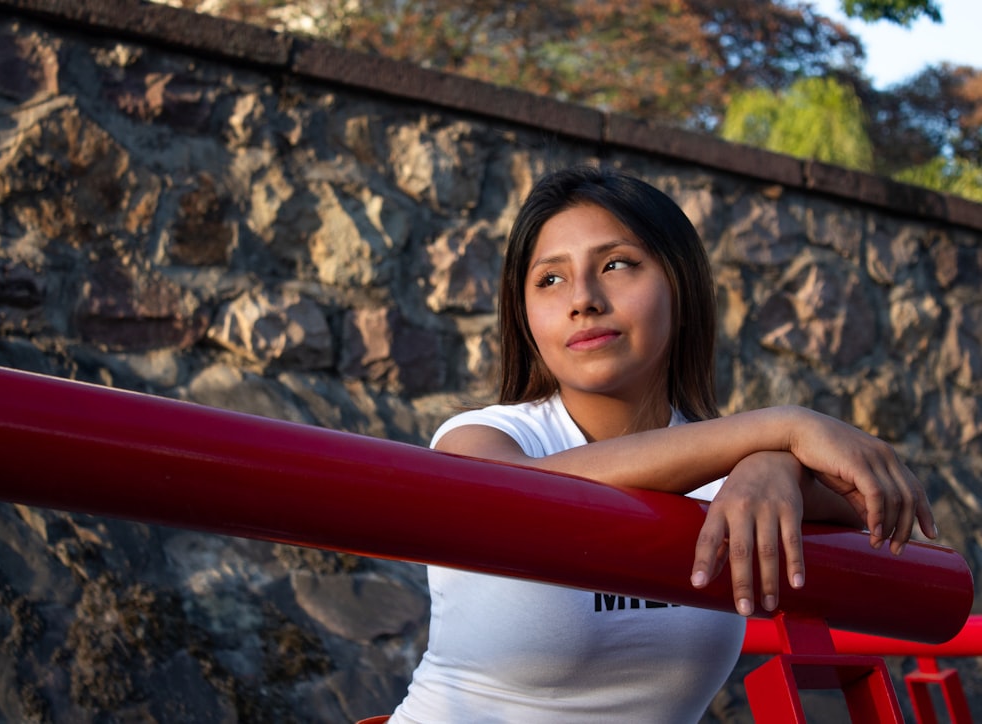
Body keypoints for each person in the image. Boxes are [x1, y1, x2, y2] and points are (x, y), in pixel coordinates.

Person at [387, 165, 936, 723]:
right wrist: (779, 428)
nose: (583, 299)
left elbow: (898, 527)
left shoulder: (737, 475)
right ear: (523, 314)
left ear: (680, 282)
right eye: (549, 279)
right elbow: (525, 497)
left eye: (616, 264)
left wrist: (776, 468)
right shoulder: (485, 437)